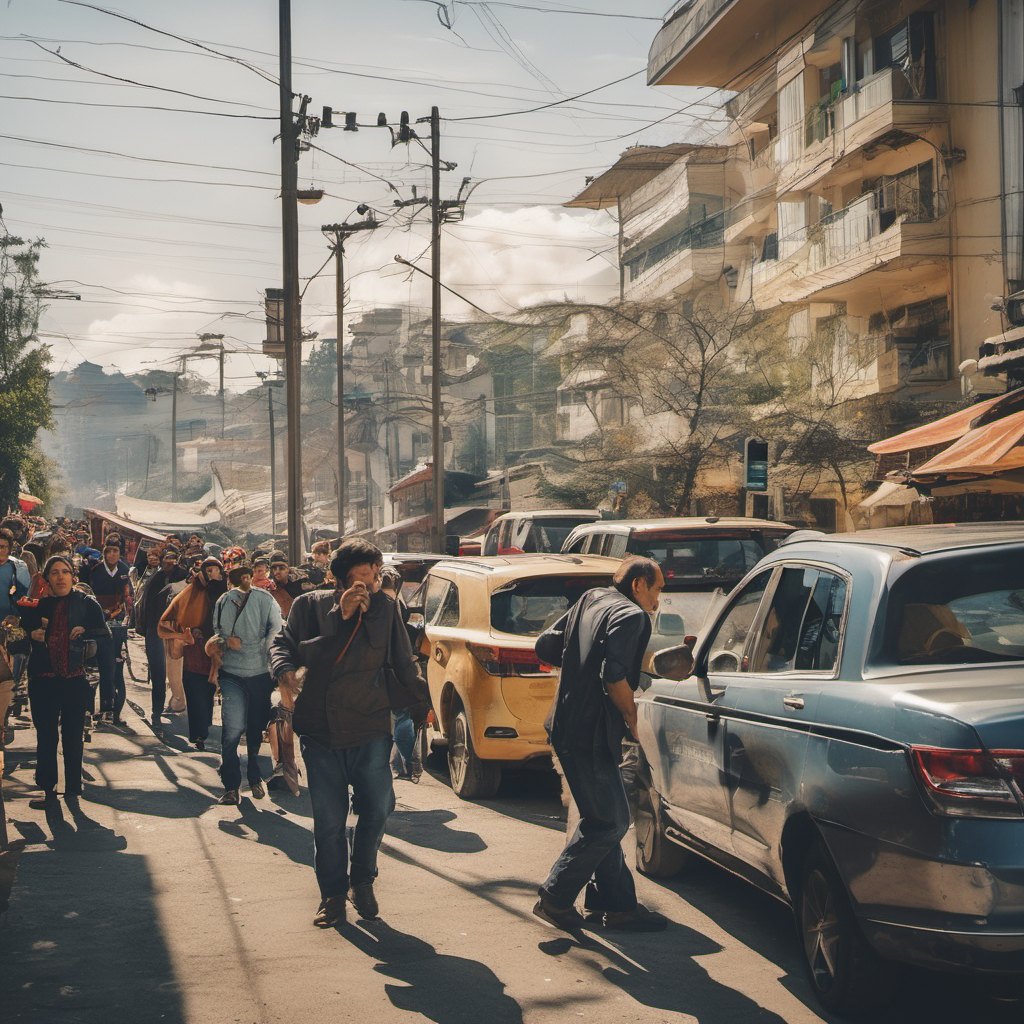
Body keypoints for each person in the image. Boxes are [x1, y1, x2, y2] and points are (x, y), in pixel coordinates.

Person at [269, 538, 429, 928]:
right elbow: (284, 646)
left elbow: (402, 660)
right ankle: (333, 896)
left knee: (378, 807)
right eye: (360, 578)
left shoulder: (386, 608)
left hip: (371, 725)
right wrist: (284, 670)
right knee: (329, 821)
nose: (369, 584)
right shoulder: (309, 606)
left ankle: (362, 878)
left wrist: (422, 705)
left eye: (373, 576)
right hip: (320, 730)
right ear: (339, 580)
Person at [532, 556, 673, 933]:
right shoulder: (632, 615)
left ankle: (617, 905)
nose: (658, 598)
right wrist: (632, 718)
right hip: (590, 733)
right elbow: (614, 677)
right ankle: (555, 897)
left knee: (605, 816)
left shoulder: (592, 597)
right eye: (657, 588)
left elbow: (546, 646)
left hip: (566, 724)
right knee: (610, 821)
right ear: (639, 585)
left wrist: (580, 665)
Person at [17, 555, 109, 807]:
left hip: (75, 679)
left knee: (73, 736)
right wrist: (31, 635)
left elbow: (104, 637)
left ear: (73, 576)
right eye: (55, 572)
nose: (60, 577)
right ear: (47, 579)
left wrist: (86, 633)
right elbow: (19, 638)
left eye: (65, 571)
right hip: (43, 679)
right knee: (46, 736)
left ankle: (73, 789)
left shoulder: (87, 604)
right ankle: (48, 789)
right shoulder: (36, 607)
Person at [209, 563, 282, 803]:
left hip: (260, 674)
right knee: (232, 728)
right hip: (231, 673)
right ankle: (231, 786)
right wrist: (225, 641)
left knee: (254, 728)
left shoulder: (265, 599)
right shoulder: (224, 601)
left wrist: (268, 657)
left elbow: (276, 630)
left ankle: (254, 776)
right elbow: (217, 630)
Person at [159, 556, 225, 745]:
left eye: (217, 571)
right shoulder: (191, 592)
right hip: (194, 651)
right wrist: (187, 632)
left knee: (208, 692)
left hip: (216, 652)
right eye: (209, 571)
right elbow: (167, 621)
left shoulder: (226, 594)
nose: (213, 575)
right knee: (195, 692)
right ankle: (198, 734)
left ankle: (203, 730)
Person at [379, 566, 418, 783]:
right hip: (393, 668)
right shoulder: (394, 603)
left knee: (395, 718)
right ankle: (404, 765)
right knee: (401, 717)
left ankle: (398, 765)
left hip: (387, 668)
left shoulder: (380, 602)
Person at [89, 541, 134, 725]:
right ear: (104, 553)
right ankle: (90, 710)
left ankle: (113, 710)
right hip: (97, 620)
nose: (113, 554)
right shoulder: (95, 570)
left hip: (118, 623)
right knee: (94, 666)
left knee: (116, 666)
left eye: (116, 551)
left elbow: (129, 596)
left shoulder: (125, 570)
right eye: (110, 551)